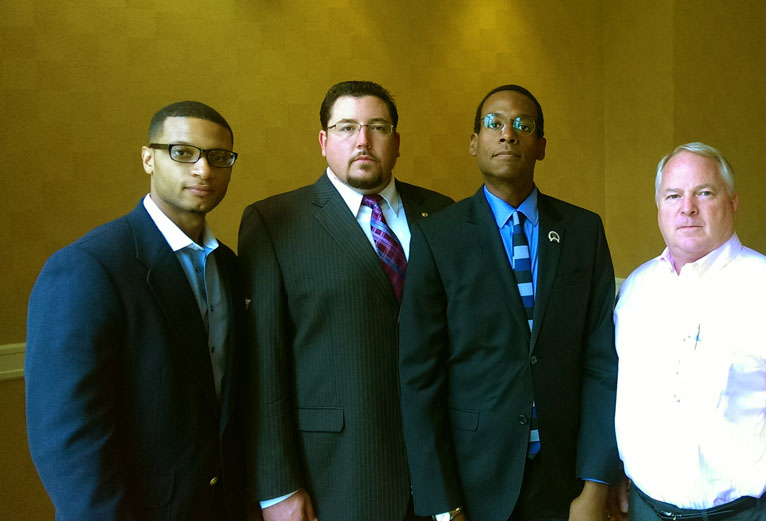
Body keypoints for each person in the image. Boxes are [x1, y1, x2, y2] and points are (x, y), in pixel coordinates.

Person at [398, 84, 619, 521]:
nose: (508, 134)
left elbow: (601, 365)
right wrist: (443, 506)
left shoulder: (583, 231)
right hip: (473, 483)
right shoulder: (437, 236)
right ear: (474, 142)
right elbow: (418, 378)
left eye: (524, 126)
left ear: (541, 147)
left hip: (564, 483)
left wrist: (596, 486)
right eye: (494, 124)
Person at [238, 80, 454, 521]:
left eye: (378, 126)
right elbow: (264, 363)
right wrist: (277, 488)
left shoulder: (444, 212)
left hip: (442, 469)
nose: (363, 140)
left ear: (396, 141)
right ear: (323, 141)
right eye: (346, 127)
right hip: (337, 472)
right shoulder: (274, 222)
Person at [25, 101, 246, 520]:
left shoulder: (229, 266)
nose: (204, 170)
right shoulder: (88, 267)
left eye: (219, 157)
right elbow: (67, 439)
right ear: (148, 158)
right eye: (182, 152)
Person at [613, 142, 766, 521]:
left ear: (733, 203)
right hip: (646, 511)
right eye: (673, 195)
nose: (687, 207)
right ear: (658, 207)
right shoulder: (635, 292)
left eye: (704, 193)